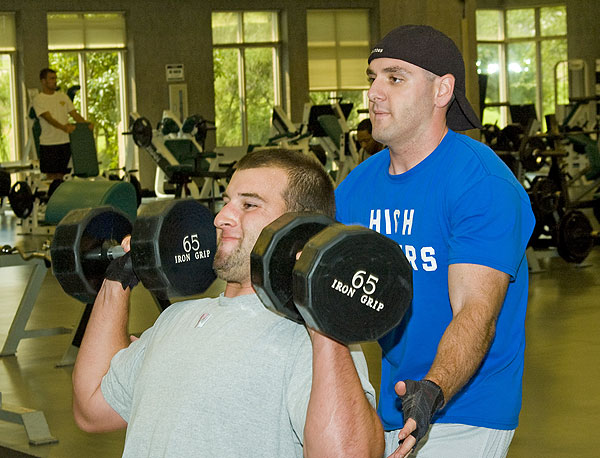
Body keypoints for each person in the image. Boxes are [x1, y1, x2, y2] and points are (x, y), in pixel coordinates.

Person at [71, 148, 384, 457]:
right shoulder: (175, 318)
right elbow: (91, 408)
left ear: (298, 229)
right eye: (225, 202)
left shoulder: (311, 340)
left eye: (248, 205)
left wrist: (319, 309)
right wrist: (117, 280)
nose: (221, 218)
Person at [335, 25, 535, 458]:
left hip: (465, 407)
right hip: (396, 402)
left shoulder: (481, 184)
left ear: (442, 90)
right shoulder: (355, 189)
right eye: (372, 77)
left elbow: (475, 312)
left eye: (395, 77)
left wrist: (434, 388)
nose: (374, 92)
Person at [32, 68, 93, 180]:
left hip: (65, 142)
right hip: (49, 144)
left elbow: (75, 115)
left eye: (55, 78)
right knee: (51, 177)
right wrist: (63, 127)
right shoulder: (38, 99)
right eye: (51, 78)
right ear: (43, 81)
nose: (55, 81)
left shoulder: (62, 97)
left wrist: (86, 124)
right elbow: (48, 118)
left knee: (64, 175)